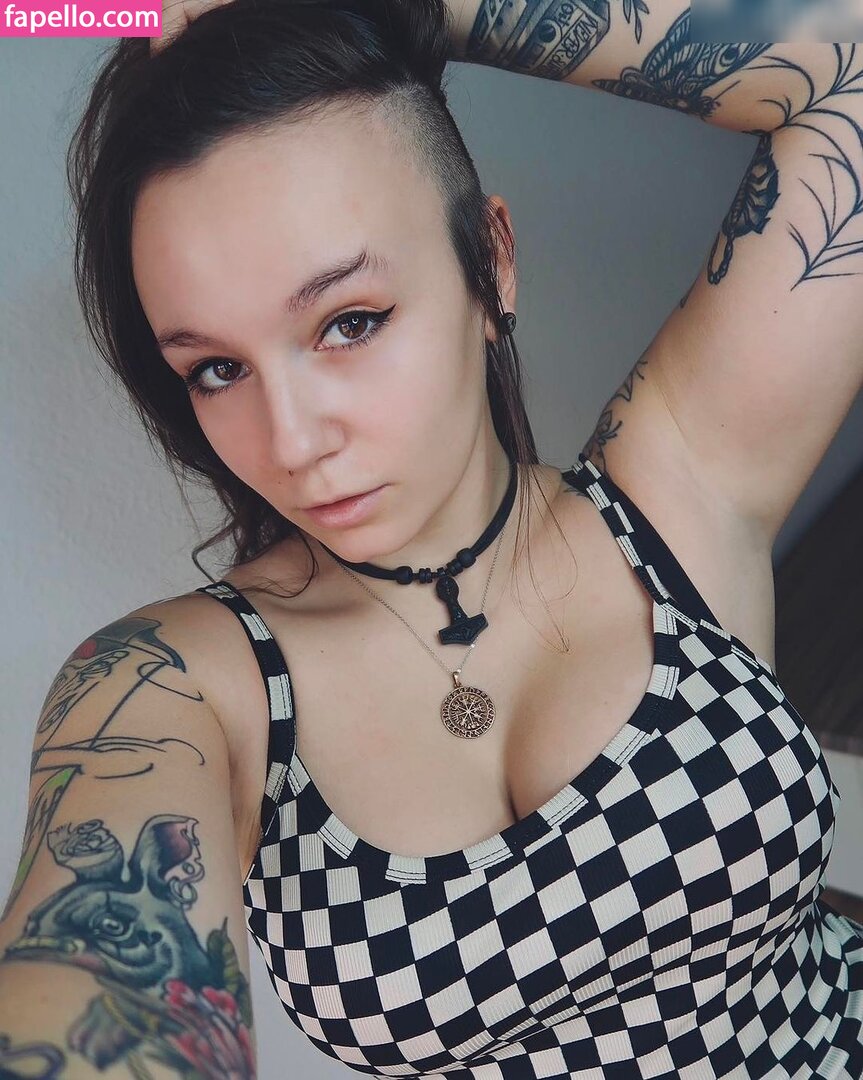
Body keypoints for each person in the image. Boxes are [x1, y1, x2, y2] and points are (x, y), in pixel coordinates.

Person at [1, 0, 862, 1076]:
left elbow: (845, 72)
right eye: (216, 369)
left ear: (489, 264)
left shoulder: (673, 487)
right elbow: (95, 976)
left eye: (348, 322)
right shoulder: (184, 685)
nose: (292, 442)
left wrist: (392, 8)